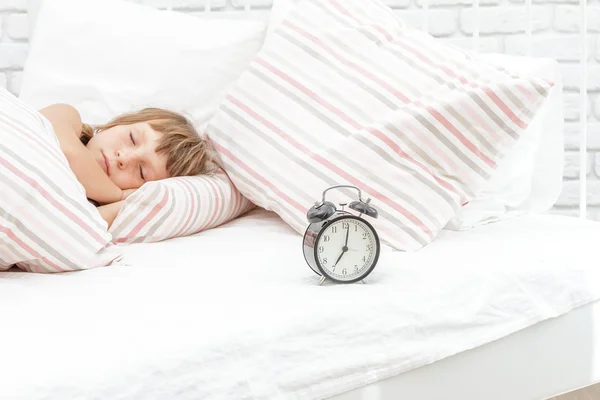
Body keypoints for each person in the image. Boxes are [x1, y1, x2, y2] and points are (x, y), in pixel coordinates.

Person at [40, 104, 215, 228]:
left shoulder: (92, 207)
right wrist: (117, 194)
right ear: (119, 123)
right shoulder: (67, 116)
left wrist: (129, 202)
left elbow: (72, 228)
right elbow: (69, 153)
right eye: (132, 138)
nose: (124, 158)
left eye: (141, 172)